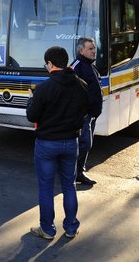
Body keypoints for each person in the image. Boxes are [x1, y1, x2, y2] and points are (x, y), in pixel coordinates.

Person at [26, 46, 88, 240]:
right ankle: (71, 227)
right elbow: (87, 110)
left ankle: (47, 229)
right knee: (69, 185)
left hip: (47, 143)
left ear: (50, 64)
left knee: (46, 187)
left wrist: (31, 100)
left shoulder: (44, 88)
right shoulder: (81, 85)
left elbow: (32, 116)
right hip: (71, 142)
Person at [70, 37, 103, 185]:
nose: (94, 51)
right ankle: (74, 173)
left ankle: (79, 172)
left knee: (86, 144)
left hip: (91, 114)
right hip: (82, 115)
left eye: (94, 48)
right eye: (90, 48)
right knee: (84, 144)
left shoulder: (90, 65)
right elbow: (69, 90)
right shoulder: (76, 66)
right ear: (81, 50)